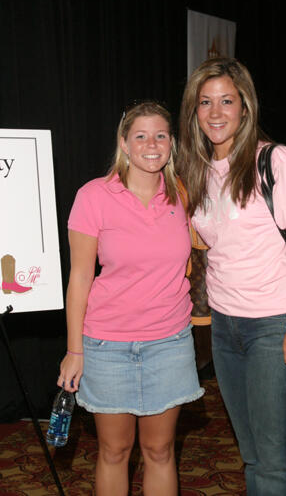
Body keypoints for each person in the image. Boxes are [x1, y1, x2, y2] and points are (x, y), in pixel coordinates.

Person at [177, 57, 286, 496]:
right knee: (259, 453)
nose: (216, 112)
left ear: (245, 106)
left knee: (273, 458)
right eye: (205, 102)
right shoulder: (199, 170)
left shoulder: (273, 161)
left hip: (277, 322)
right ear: (194, 111)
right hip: (227, 328)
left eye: (227, 100)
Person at [58, 101, 204, 496]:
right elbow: (80, 276)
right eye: (140, 135)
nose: (151, 144)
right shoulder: (93, 196)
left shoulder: (183, 196)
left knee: (159, 450)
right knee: (114, 450)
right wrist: (75, 350)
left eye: (161, 135)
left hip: (169, 344)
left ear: (172, 143)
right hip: (107, 345)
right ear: (124, 143)